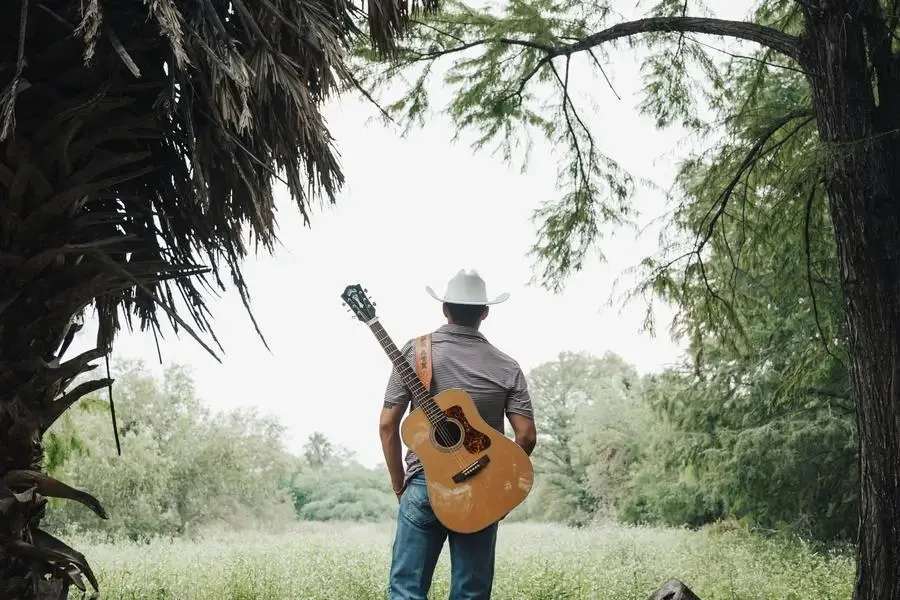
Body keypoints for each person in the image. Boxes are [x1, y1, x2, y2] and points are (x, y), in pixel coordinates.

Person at [379, 269, 538, 600]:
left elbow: (387, 426)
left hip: (424, 485)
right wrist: (499, 487)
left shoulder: (415, 351)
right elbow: (526, 436)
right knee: (471, 593)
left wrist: (399, 484)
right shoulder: (508, 366)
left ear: (444, 309)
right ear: (485, 312)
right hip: (482, 487)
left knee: (406, 590)